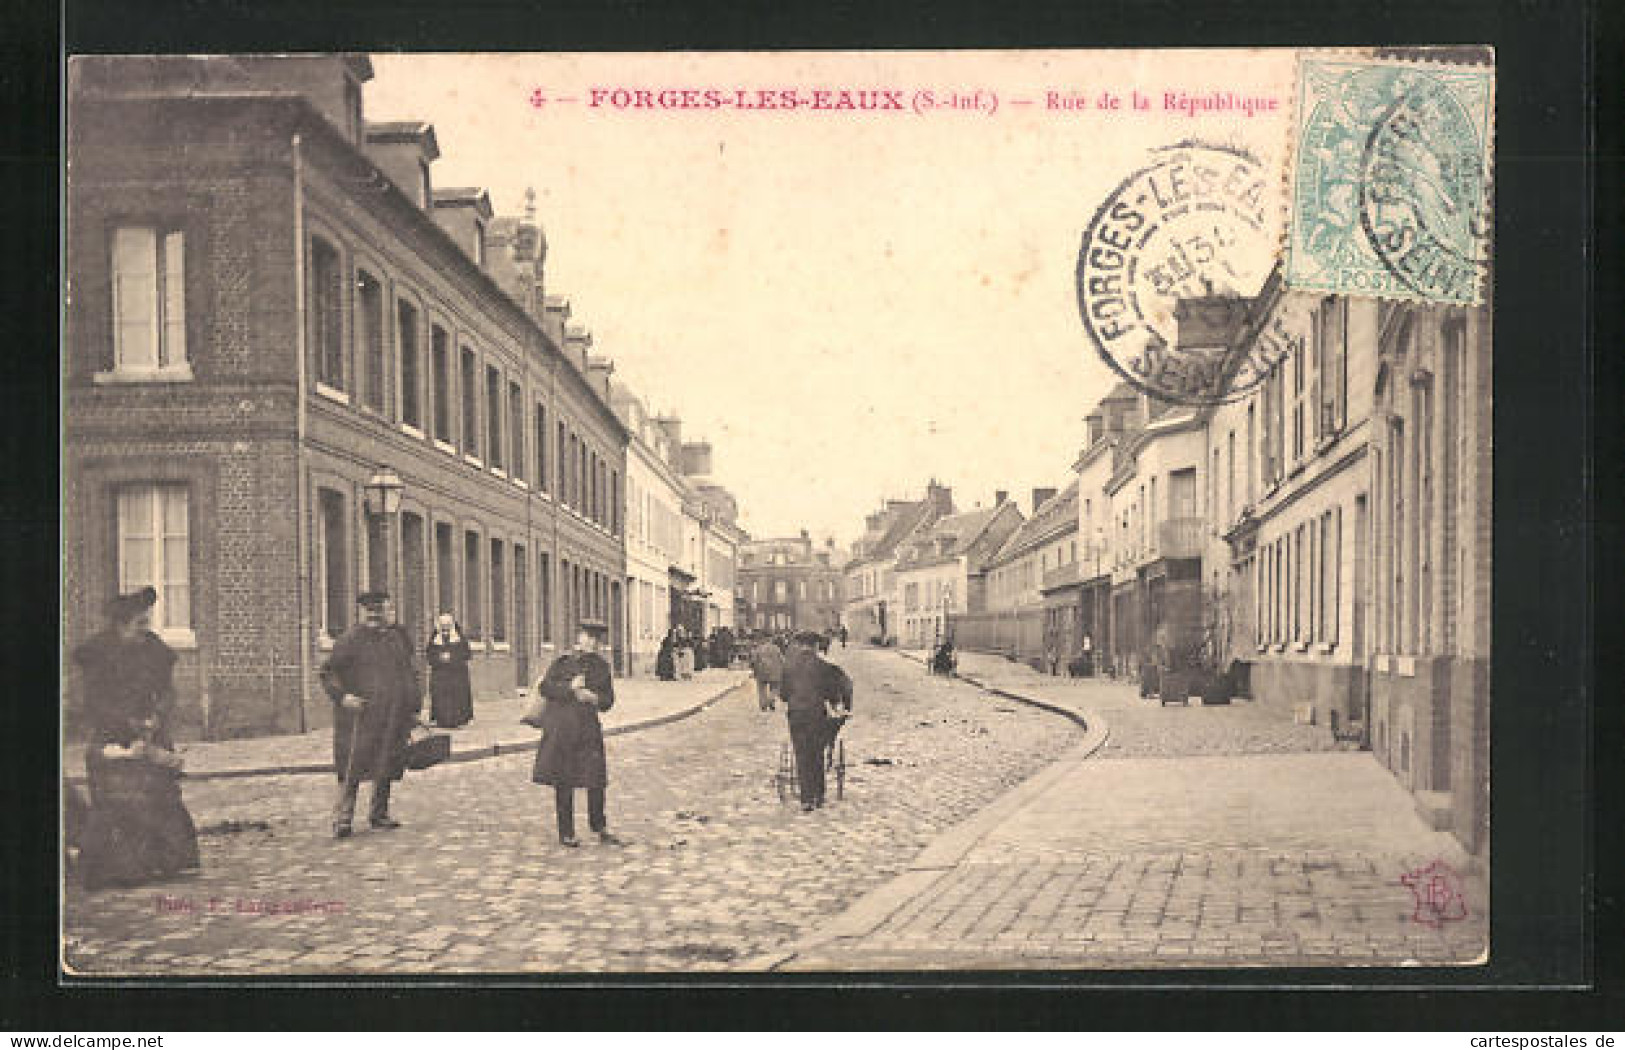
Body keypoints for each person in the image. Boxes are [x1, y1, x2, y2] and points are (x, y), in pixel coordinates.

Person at [72, 586, 199, 889]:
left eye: (147, 623)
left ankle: (168, 860)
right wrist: (126, 724)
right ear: (121, 625)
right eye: (139, 624)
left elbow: (167, 690)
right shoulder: (97, 654)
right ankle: (119, 868)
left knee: (163, 793)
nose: (145, 630)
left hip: (151, 732)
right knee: (118, 801)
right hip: (112, 736)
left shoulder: (152, 648)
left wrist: (157, 716)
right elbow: (91, 702)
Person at [321, 590, 422, 839]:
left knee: (386, 762)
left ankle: (379, 814)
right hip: (359, 716)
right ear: (362, 612)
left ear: (390, 611)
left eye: (381, 610)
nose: (375, 615)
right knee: (352, 766)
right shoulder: (350, 640)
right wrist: (343, 697)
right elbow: (328, 673)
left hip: (391, 714)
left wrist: (413, 706)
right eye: (370, 611)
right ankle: (343, 819)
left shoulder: (396, 639)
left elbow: (409, 671)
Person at [531, 621, 624, 847]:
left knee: (596, 779)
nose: (590, 642)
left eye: (595, 639)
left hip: (588, 729)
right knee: (564, 779)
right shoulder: (563, 662)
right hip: (563, 729)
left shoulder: (602, 667)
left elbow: (608, 700)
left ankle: (599, 825)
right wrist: (569, 688)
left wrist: (595, 699)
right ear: (578, 638)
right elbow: (545, 688)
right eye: (586, 637)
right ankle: (566, 832)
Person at [779, 631, 846, 812]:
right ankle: (818, 795)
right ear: (816, 646)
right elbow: (832, 694)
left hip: (796, 716)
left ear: (800, 646)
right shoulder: (823, 667)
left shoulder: (788, 667)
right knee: (816, 753)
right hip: (816, 715)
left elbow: (784, 695)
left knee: (801, 754)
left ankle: (806, 798)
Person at [425, 613, 473, 729]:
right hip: (440, 673)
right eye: (443, 625)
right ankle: (441, 719)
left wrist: (452, 657)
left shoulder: (459, 637)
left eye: (447, 625)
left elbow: (466, 654)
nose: (445, 628)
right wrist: (439, 658)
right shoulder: (435, 638)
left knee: (456, 696)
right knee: (440, 696)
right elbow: (429, 655)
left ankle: (458, 720)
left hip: (456, 673)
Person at [750, 633, 785, 712]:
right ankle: (771, 700)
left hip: (761, 671)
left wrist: (754, 669)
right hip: (774, 672)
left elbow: (754, 660)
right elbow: (782, 660)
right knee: (775, 688)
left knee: (761, 689)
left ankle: (763, 705)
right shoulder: (776, 648)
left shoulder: (759, 649)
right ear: (771, 639)